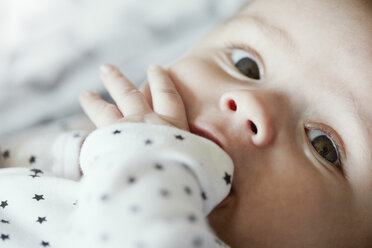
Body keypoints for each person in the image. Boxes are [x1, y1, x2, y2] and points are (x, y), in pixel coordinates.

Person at [1, 0, 372, 247]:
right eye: (245, 64)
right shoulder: (73, 131)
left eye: (324, 146)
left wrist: (152, 158)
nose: (252, 105)